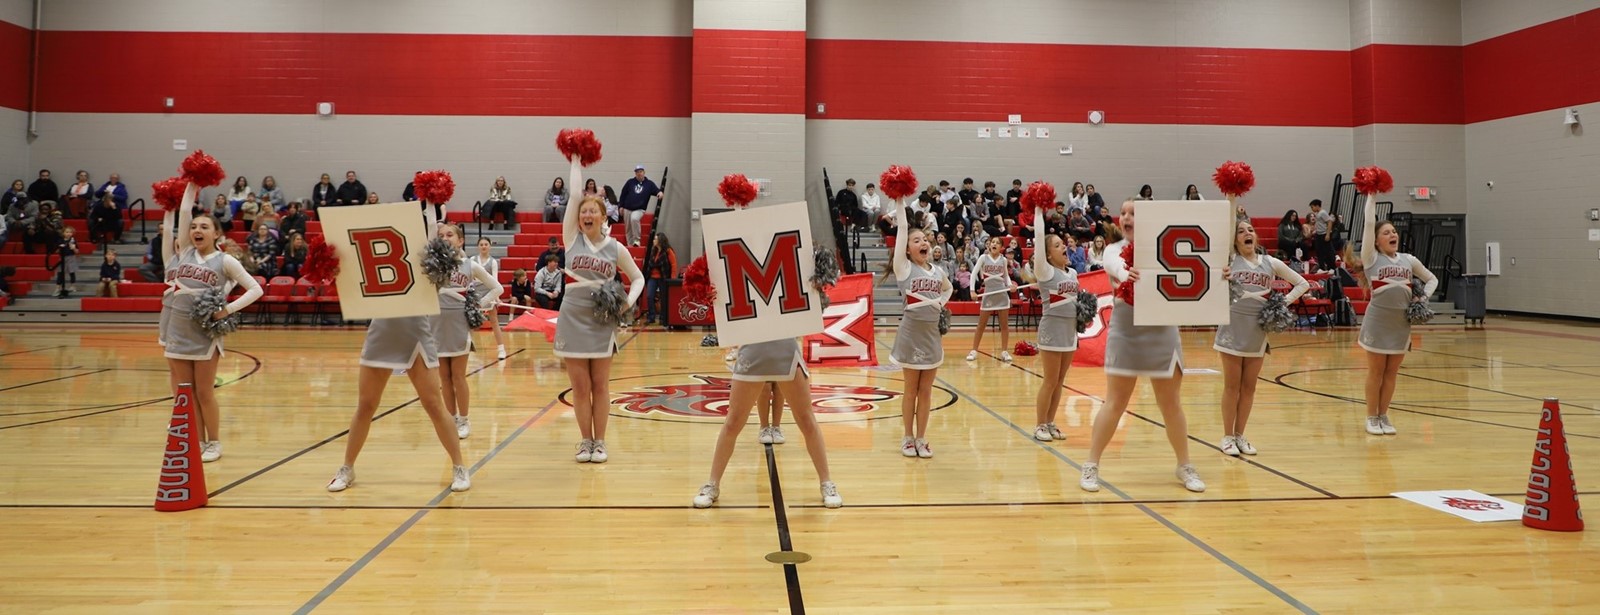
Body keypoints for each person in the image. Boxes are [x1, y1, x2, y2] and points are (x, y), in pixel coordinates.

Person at [1080, 200, 1219, 494]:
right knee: (1115, 402)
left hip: (1162, 326)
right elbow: (1116, 267)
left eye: (1134, 213)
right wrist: (1127, 271)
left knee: (1171, 404)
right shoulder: (1112, 250)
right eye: (1124, 213)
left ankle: (1184, 465)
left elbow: (1200, 268)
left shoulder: (1166, 246)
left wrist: (1221, 274)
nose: (1127, 217)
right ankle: (1091, 464)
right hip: (1127, 328)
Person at [158, 197, 264, 463]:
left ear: (217, 233)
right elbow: (180, 215)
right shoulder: (182, 255)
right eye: (194, 226)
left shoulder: (225, 260)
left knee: (204, 391)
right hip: (176, 330)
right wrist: (178, 195)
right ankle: (197, 440)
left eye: (204, 227)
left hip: (204, 333)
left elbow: (256, 289)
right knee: (185, 391)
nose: (197, 231)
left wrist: (226, 310)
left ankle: (214, 442)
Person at [691, 331, 843, 508]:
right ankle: (712, 484)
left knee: (806, 420)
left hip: (786, 350)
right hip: (752, 351)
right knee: (733, 422)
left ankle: (826, 483)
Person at [556, 164, 644, 463]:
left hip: (602, 319)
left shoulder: (616, 247)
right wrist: (576, 162)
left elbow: (639, 277)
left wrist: (628, 302)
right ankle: (585, 441)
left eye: (592, 212)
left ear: (604, 216)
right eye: (583, 213)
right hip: (572, 316)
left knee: (600, 385)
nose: (586, 216)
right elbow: (573, 197)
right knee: (580, 387)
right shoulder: (571, 238)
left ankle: (601, 441)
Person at [1213, 221, 1309, 455]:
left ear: (1256, 238)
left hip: (1258, 330)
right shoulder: (1229, 260)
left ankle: (1240, 435)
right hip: (1232, 328)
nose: (1247, 233)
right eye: (1241, 231)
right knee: (1232, 386)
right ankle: (1226, 437)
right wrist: (1231, 196)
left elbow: (1302, 283)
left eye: (1250, 230)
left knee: (1249, 387)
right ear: (1234, 240)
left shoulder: (1270, 263)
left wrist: (1280, 304)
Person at [1357, 203, 1437, 436]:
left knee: (1391, 372)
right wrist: (1371, 195)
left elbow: (1432, 279)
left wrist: (1422, 298)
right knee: (1376, 371)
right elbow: (1369, 222)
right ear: (1376, 241)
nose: (1392, 235)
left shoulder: (1408, 260)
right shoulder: (1371, 259)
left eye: (1394, 232)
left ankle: (1383, 415)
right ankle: (1371, 417)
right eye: (1386, 232)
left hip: (1401, 324)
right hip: (1377, 322)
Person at [888, 200, 951, 459]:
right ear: (906, 248)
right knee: (911, 389)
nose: (923, 242)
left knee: (926, 391)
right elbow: (902, 226)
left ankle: (922, 437)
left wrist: (940, 303)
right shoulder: (904, 268)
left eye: (924, 239)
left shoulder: (938, 271)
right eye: (916, 240)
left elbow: (946, 289)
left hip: (932, 335)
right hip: (911, 333)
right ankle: (907, 437)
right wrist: (900, 201)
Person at [434, 225, 504, 440]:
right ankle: (451, 418)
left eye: (449, 235)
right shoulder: (433, 264)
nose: (445, 238)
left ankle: (464, 419)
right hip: (435, 323)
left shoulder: (469, 264)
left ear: (460, 241)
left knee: (457, 376)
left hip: (458, 323)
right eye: (441, 236)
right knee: (444, 378)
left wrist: (477, 305)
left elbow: (497, 288)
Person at [1030, 204, 1081, 442]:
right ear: (1048, 254)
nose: (1065, 247)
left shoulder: (1072, 274)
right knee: (1050, 380)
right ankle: (1039, 424)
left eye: (1064, 244)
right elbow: (1039, 238)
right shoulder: (1045, 271)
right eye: (1058, 245)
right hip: (1051, 330)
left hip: (1069, 333)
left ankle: (1050, 422)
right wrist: (1039, 212)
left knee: (1060, 381)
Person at [965, 236, 1014, 362]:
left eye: (998, 243)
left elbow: (1006, 276)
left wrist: (1010, 285)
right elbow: (974, 274)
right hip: (989, 294)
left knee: (1004, 325)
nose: (995, 244)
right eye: (993, 242)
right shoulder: (983, 258)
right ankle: (974, 350)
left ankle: (1004, 351)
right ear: (989, 245)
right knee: (981, 324)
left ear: (1001, 247)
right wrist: (972, 290)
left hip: (1002, 293)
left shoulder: (1003, 260)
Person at [470, 237, 508, 360]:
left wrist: (497, 298)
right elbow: (469, 280)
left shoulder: (493, 262)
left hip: (488, 292)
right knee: (471, 322)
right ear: (478, 246)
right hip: (475, 292)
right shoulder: (472, 260)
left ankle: (501, 350)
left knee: (494, 321)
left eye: (486, 244)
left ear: (490, 246)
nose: (484, 246)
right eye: (481, 244)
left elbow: (495, 281)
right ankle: (468, 348)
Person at [619, 165, 662, 247]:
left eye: (641, 171)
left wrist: (659, 193)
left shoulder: (649, 184)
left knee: (634, 219)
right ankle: (630, 245)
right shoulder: (630, 182)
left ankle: (637, 240)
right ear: (635, 173)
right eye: (637, 172)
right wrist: (621, 206)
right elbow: (623, 194)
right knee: (628, 228)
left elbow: (656, 190)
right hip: (627, 208)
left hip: (639, 209)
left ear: (644, 172)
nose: (639, 173)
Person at [643, 233, 676, 325]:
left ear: (660, 240)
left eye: (655, 239)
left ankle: (663, 317)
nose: (654, 240)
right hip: (652, 277)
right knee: (650, 296)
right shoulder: (654, 251)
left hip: (663, 277)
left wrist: (672, 278)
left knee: (663, 297)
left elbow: (673, 265)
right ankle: (651, 317)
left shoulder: (668, 251)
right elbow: (650, 264)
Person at [1308, 199, 1334, 272]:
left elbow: (1329, 222)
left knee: (1327, 251)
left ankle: (1331, 267)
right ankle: (1322, 267)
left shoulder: (1323, 213)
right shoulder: (1318, 213)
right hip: (1319, 234)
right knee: (1319, 251)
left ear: (1317, 206)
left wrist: (1328, 234)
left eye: (1312, 207)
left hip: (1324, 234)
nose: (1312, 209)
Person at [53, 226, 79, 297]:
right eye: (67, 232)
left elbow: (77, 251)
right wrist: (59, 248)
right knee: (60, 273)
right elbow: (56, 250)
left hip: (71, 257)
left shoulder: (73, 241)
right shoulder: (60, 240)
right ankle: (58, 287)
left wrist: (73, 248)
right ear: (63, 233)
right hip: (62, 257)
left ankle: (73, 285)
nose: (68, 234)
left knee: (71, 272)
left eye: (70, 232)